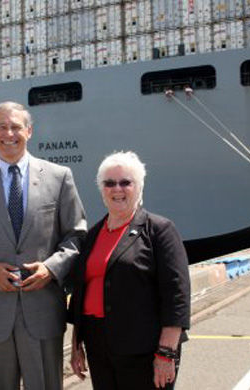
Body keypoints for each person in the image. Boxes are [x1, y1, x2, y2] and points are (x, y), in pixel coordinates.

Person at [0, 101, 87, 390]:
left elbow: (76, 235)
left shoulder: (59, 177)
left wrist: (52, 269)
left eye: (16, 127)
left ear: (29, 131)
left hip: (42, 311)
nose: (8, 133)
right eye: (1, 127)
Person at [68, 151, 191, 390]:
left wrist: (166, 353)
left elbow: (177, 295)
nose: (117, 189)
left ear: (139, 187)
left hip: (144, 349)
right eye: (109, 183)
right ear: (101, 188)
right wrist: (76, 345)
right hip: (99, 346)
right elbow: (81, 293)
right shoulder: (92, 235)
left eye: (126, 182)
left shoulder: (159, 230)